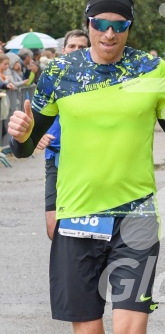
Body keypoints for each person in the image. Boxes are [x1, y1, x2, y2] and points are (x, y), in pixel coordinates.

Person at [8, 0, 165, 334]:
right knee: (89, 329)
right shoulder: (60, 72)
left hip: (136, 214)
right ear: (89, 23)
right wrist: (18, 135)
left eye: (119, 25)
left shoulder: (152, 70)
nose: (110, 33)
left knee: (130, 329)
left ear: (129, 26)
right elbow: (25, 146)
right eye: (101, 23)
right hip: (78, 214)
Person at [35, 29, 90, 240]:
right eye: (72, 46)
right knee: (53, 229)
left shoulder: (99, 83)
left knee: (88, 228)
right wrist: (36, 135)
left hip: (87, 160)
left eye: (82, 47)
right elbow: (36, 116)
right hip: (55, 159)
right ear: (63, 50)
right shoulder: (50, 80)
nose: (76, 51)